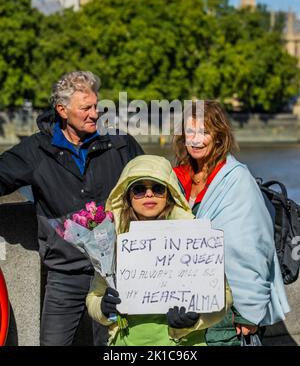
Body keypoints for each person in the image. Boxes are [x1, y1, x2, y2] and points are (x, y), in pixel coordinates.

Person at [0, 71, 144, 346]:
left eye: (97, 106)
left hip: (116, 274)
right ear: (62, 110)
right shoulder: (36, 150)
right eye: (86, 108)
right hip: (65, 274)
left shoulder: (119, 143)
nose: (95, 113)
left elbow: (153, 183)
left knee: (114, 347)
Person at [173, 100, 290, 346]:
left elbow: (253, 248)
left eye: (204, 132)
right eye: (190, 131)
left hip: (228, 310)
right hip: (186, 304)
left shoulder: (237, 180)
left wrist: (249, 311)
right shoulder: (176, 177)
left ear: (219, 136)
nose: (195, 139)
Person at [86, 155, 233, 346]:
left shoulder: (194, 235)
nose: (149, 194)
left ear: (169, 193)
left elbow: (224, 296)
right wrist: (104, 309)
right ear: (128, 196)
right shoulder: (113, 239)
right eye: (139, 189)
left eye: (157, 188)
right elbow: (94, 297)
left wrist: (195, 320)